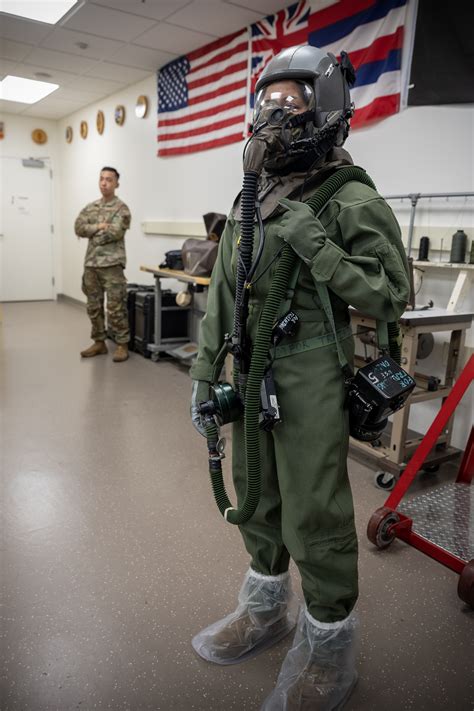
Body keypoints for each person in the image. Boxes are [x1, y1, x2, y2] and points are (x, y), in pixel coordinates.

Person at [190, 45, 410, 710]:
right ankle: (265, 609)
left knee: (314, 510)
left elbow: (388, 292)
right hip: (250, 365)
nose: (274, 114)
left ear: (328, 109)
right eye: (267, 101)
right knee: (255, 496)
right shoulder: (250, 197)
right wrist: (204, 376)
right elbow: (223, 295)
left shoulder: (350, 197)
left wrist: (314, 238)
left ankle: (331, 647)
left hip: (312, 369)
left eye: (292, 102)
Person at [74, 166, 131, 362]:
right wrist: (98, 226)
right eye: (101, 179)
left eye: (109, 179)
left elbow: (114, 232)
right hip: (91, 265)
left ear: (116, 183)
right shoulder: (91, 207)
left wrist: (93, 233)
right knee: (93, 306)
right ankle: (99, 342)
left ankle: (122, 343)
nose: (104, 183)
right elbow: (78, 227)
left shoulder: (121, 209)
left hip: (112, 266)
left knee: (115, 307)